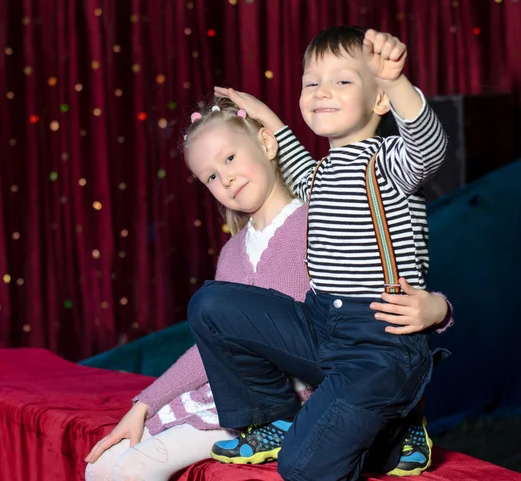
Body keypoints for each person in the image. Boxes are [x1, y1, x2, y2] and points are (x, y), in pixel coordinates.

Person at [85, 94, 452, 481]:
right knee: (102, 466)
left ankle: (388, 424)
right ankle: (266, 424)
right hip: (241, 395)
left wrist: (438, 308)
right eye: (210, 176)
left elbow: (382, 284)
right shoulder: (231, 252)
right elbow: (214, 344)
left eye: (229, 159)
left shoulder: (319, 217)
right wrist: (146, 405)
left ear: (266, 143)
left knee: (133, 469)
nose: (224, 178)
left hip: (313, 391)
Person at [187, 26, 449, 481]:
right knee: (210, 304)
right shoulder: (321, 174)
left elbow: (428, 147)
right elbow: (289, 151)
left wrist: (396, 81)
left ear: (379, 101)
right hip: (322, 326)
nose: (322, 92)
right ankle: (275, 417)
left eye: (342, 81)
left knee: (303, 465)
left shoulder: (389, 163)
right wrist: (259, 112)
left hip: (379, 346)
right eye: (312, 83)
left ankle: (392, 427)